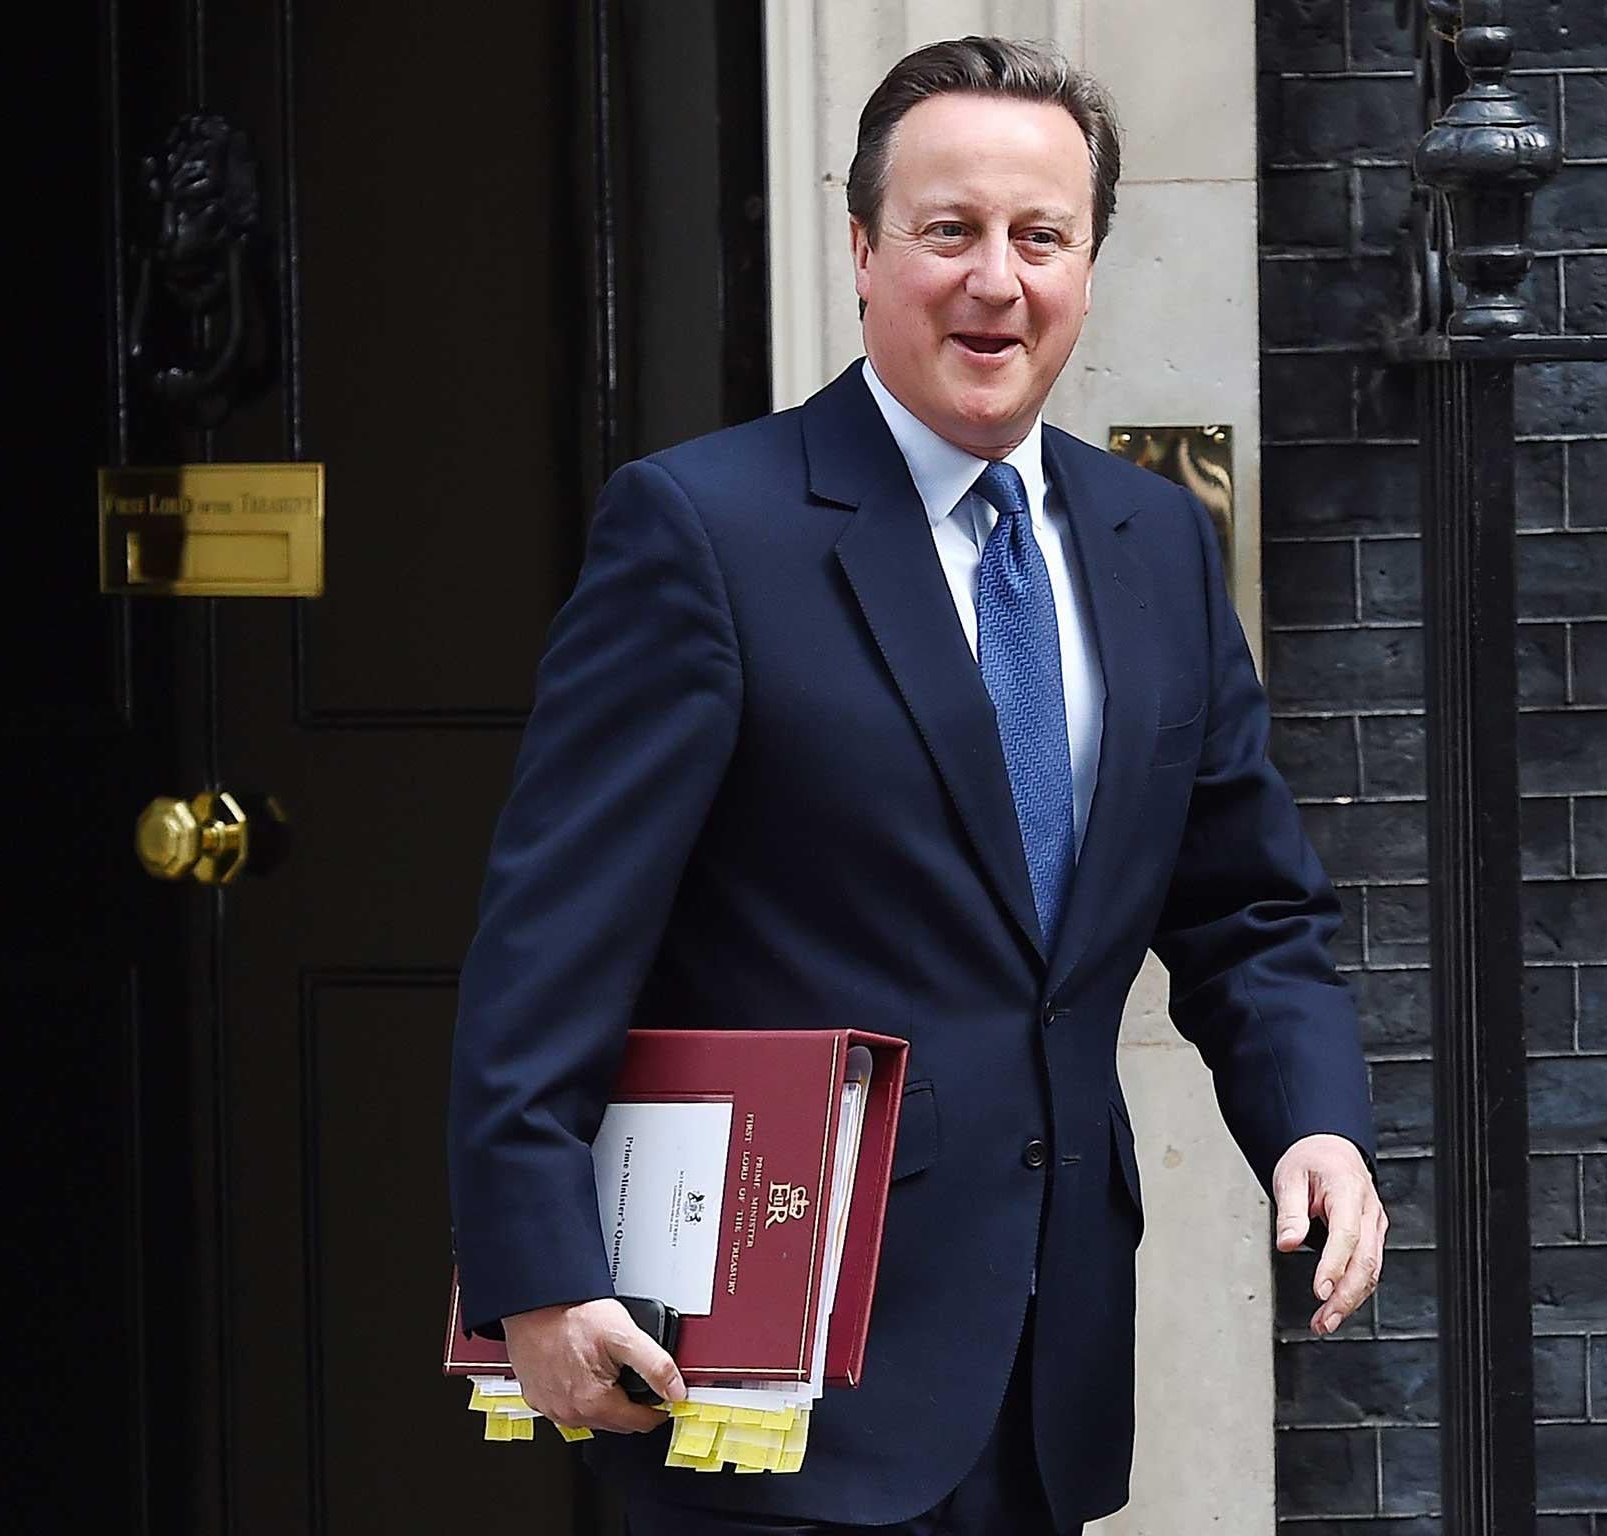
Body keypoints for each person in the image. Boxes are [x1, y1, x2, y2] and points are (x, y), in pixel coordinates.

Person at [448, 35, 1385, 1536]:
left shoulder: (1155, 546)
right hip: (763, 1377)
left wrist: (1314, 1125)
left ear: (1088, 262)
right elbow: (550, 943)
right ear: (865, 250)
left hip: (1043, 1372)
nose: (995, 281)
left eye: (1041, 237)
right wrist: (540, 1271)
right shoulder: (700, 531)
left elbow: (1246, 910)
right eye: (950, 230)